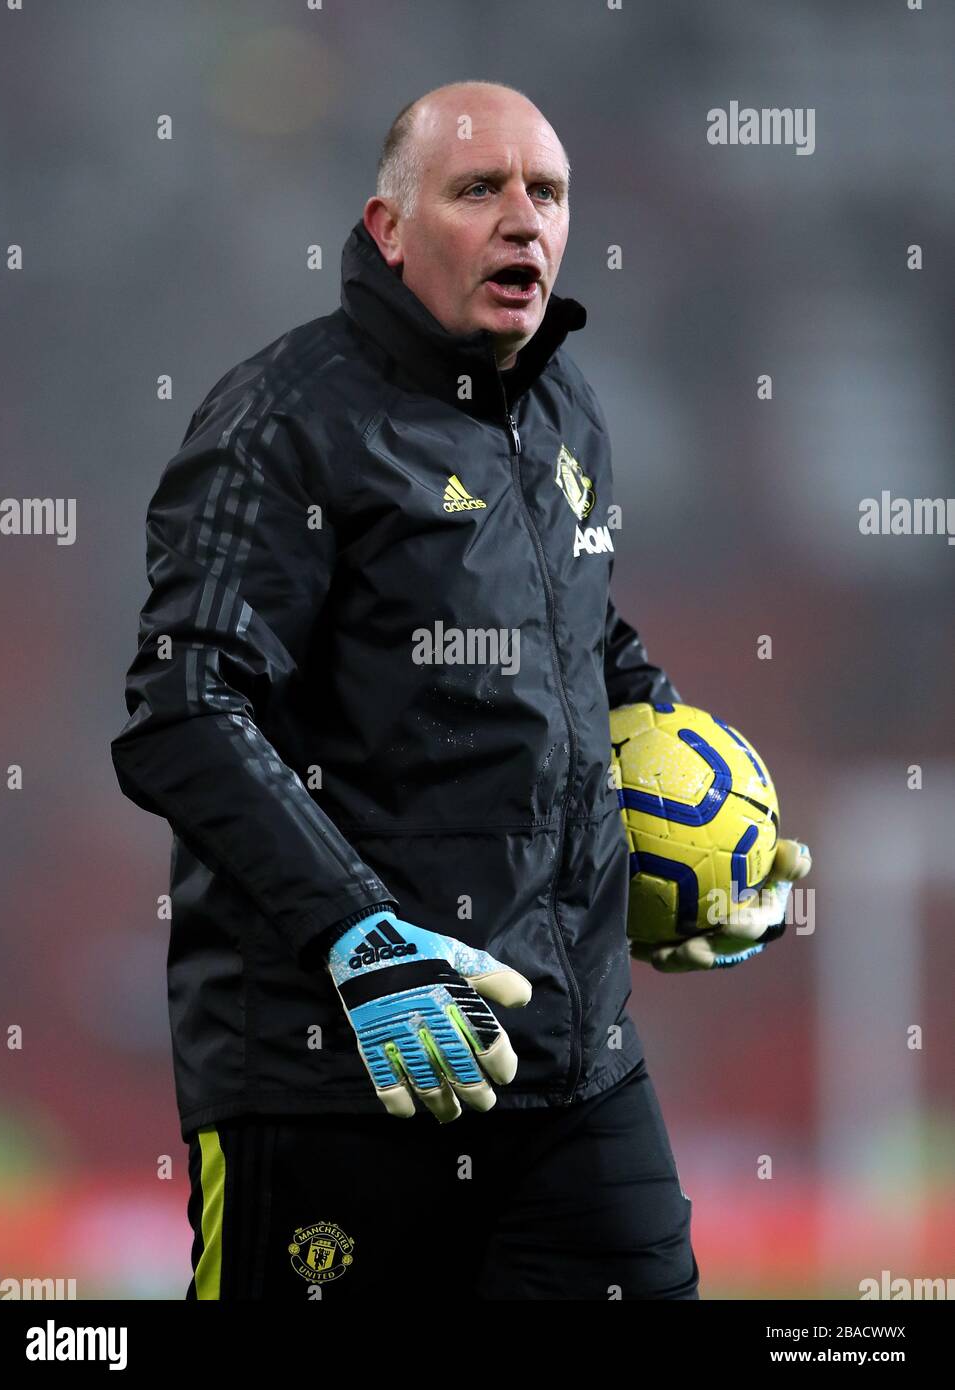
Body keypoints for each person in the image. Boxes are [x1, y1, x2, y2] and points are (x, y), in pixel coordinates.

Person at [111, 79, 703, 1301]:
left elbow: (578, 632)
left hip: (573, 1076)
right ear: (388, 228)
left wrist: (684, 763)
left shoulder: (565, 409)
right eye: (478, 189)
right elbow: (183, 707)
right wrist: (359, 941)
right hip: (332, 1083)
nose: (523, 221)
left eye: (545, 192)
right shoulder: (282, 421)